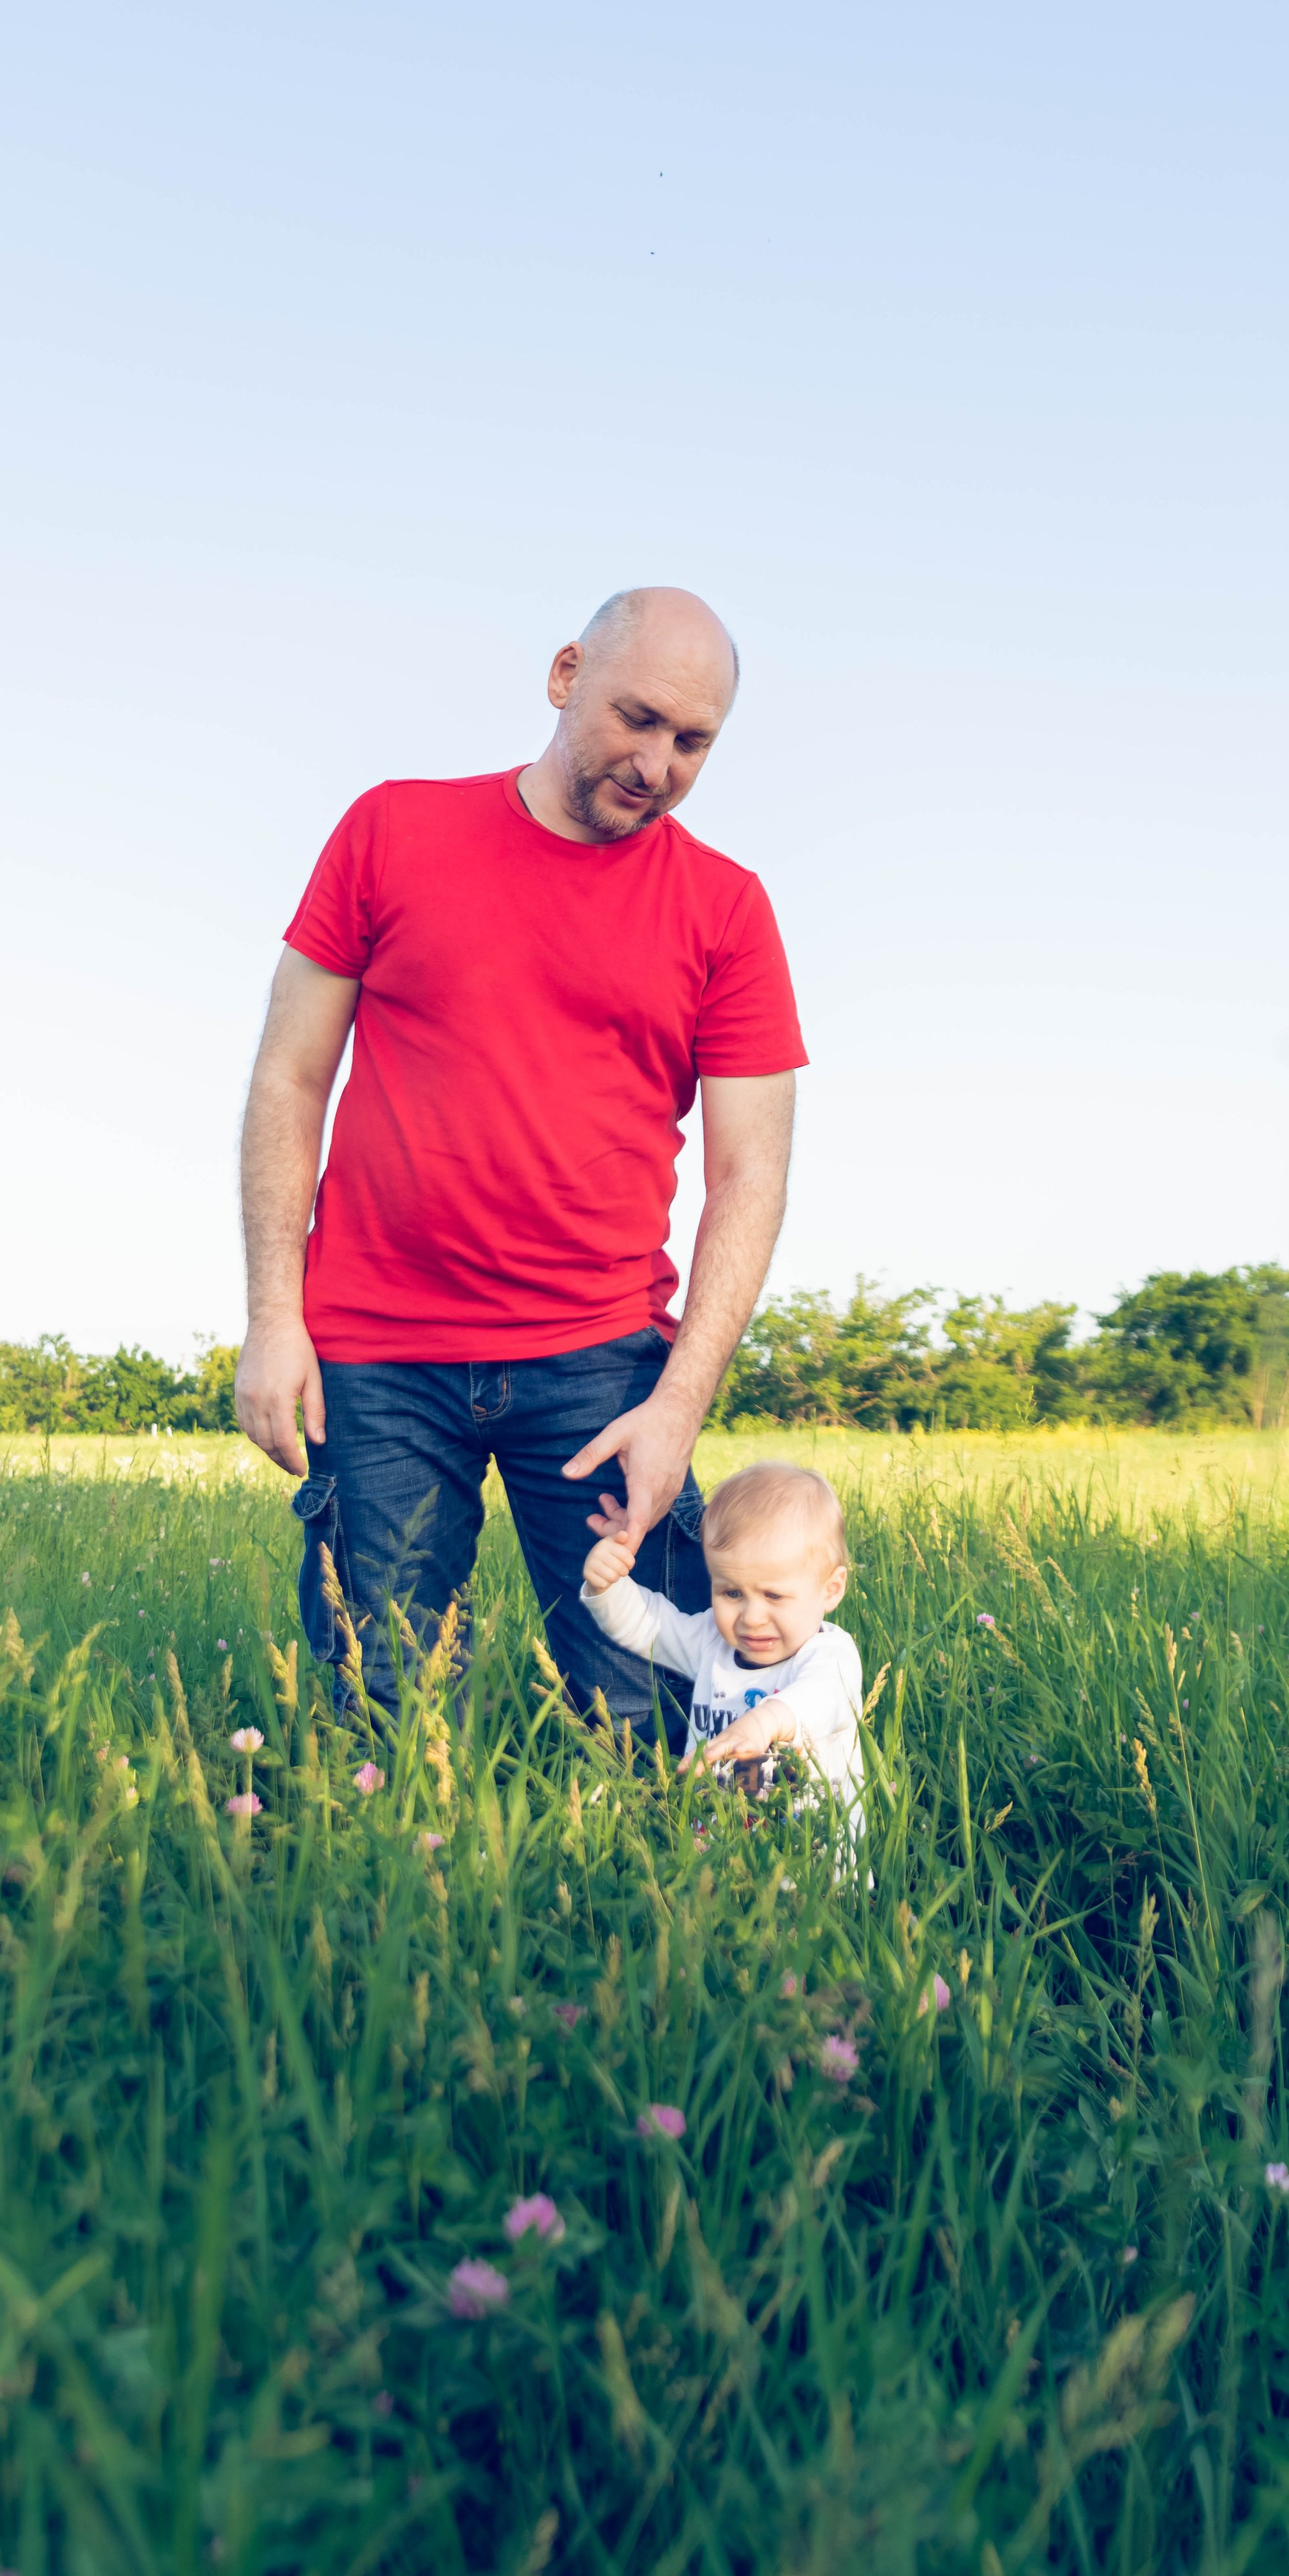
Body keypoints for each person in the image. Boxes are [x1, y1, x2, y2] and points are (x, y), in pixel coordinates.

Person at [234, 585, 806, 1741]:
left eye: (693, 742)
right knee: (378, 1721)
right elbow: (288, 1079)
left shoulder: (728, 911)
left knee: (658, 1718)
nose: (657, 764)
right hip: (379, 1356)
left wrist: (679, 1409)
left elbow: (752, 1176)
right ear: (563, 677)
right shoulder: (389, 831)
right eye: (638, 719)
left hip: (599, 1367)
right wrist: (271, 1317)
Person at [581, 1459, 863, 1808]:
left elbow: (821, 1698)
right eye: (732, 1593)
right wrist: (608, 1585)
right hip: (718, 1835)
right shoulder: (712, 1642)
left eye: (774, 1596)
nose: (752, 1618)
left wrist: (765, 1722)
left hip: (815, 1842)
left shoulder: (831, 1654)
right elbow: (650, 1626)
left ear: (831, 1589)